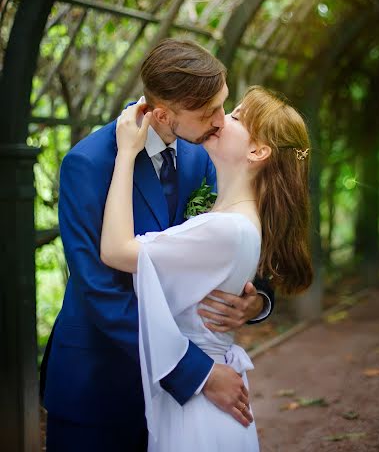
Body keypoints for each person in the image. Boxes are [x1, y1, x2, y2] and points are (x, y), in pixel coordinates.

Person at [40, 39, 275, 452]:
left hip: (174, 401)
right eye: (208, 113)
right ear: (163, 114)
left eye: (222, 104)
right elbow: (100, 289)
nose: (221, 121)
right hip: (103, 381)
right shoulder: (89, 163)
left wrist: (257, 302)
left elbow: (233, 238)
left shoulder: (203, 155)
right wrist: (197, 372)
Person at [100, 85, 314, 451]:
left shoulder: (224, 228)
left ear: (258, 151)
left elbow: (117, 251)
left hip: (199, 401)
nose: (220, 118)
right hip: (205, 393)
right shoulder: (238, 220)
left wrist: (125, 154)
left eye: (234, 116)